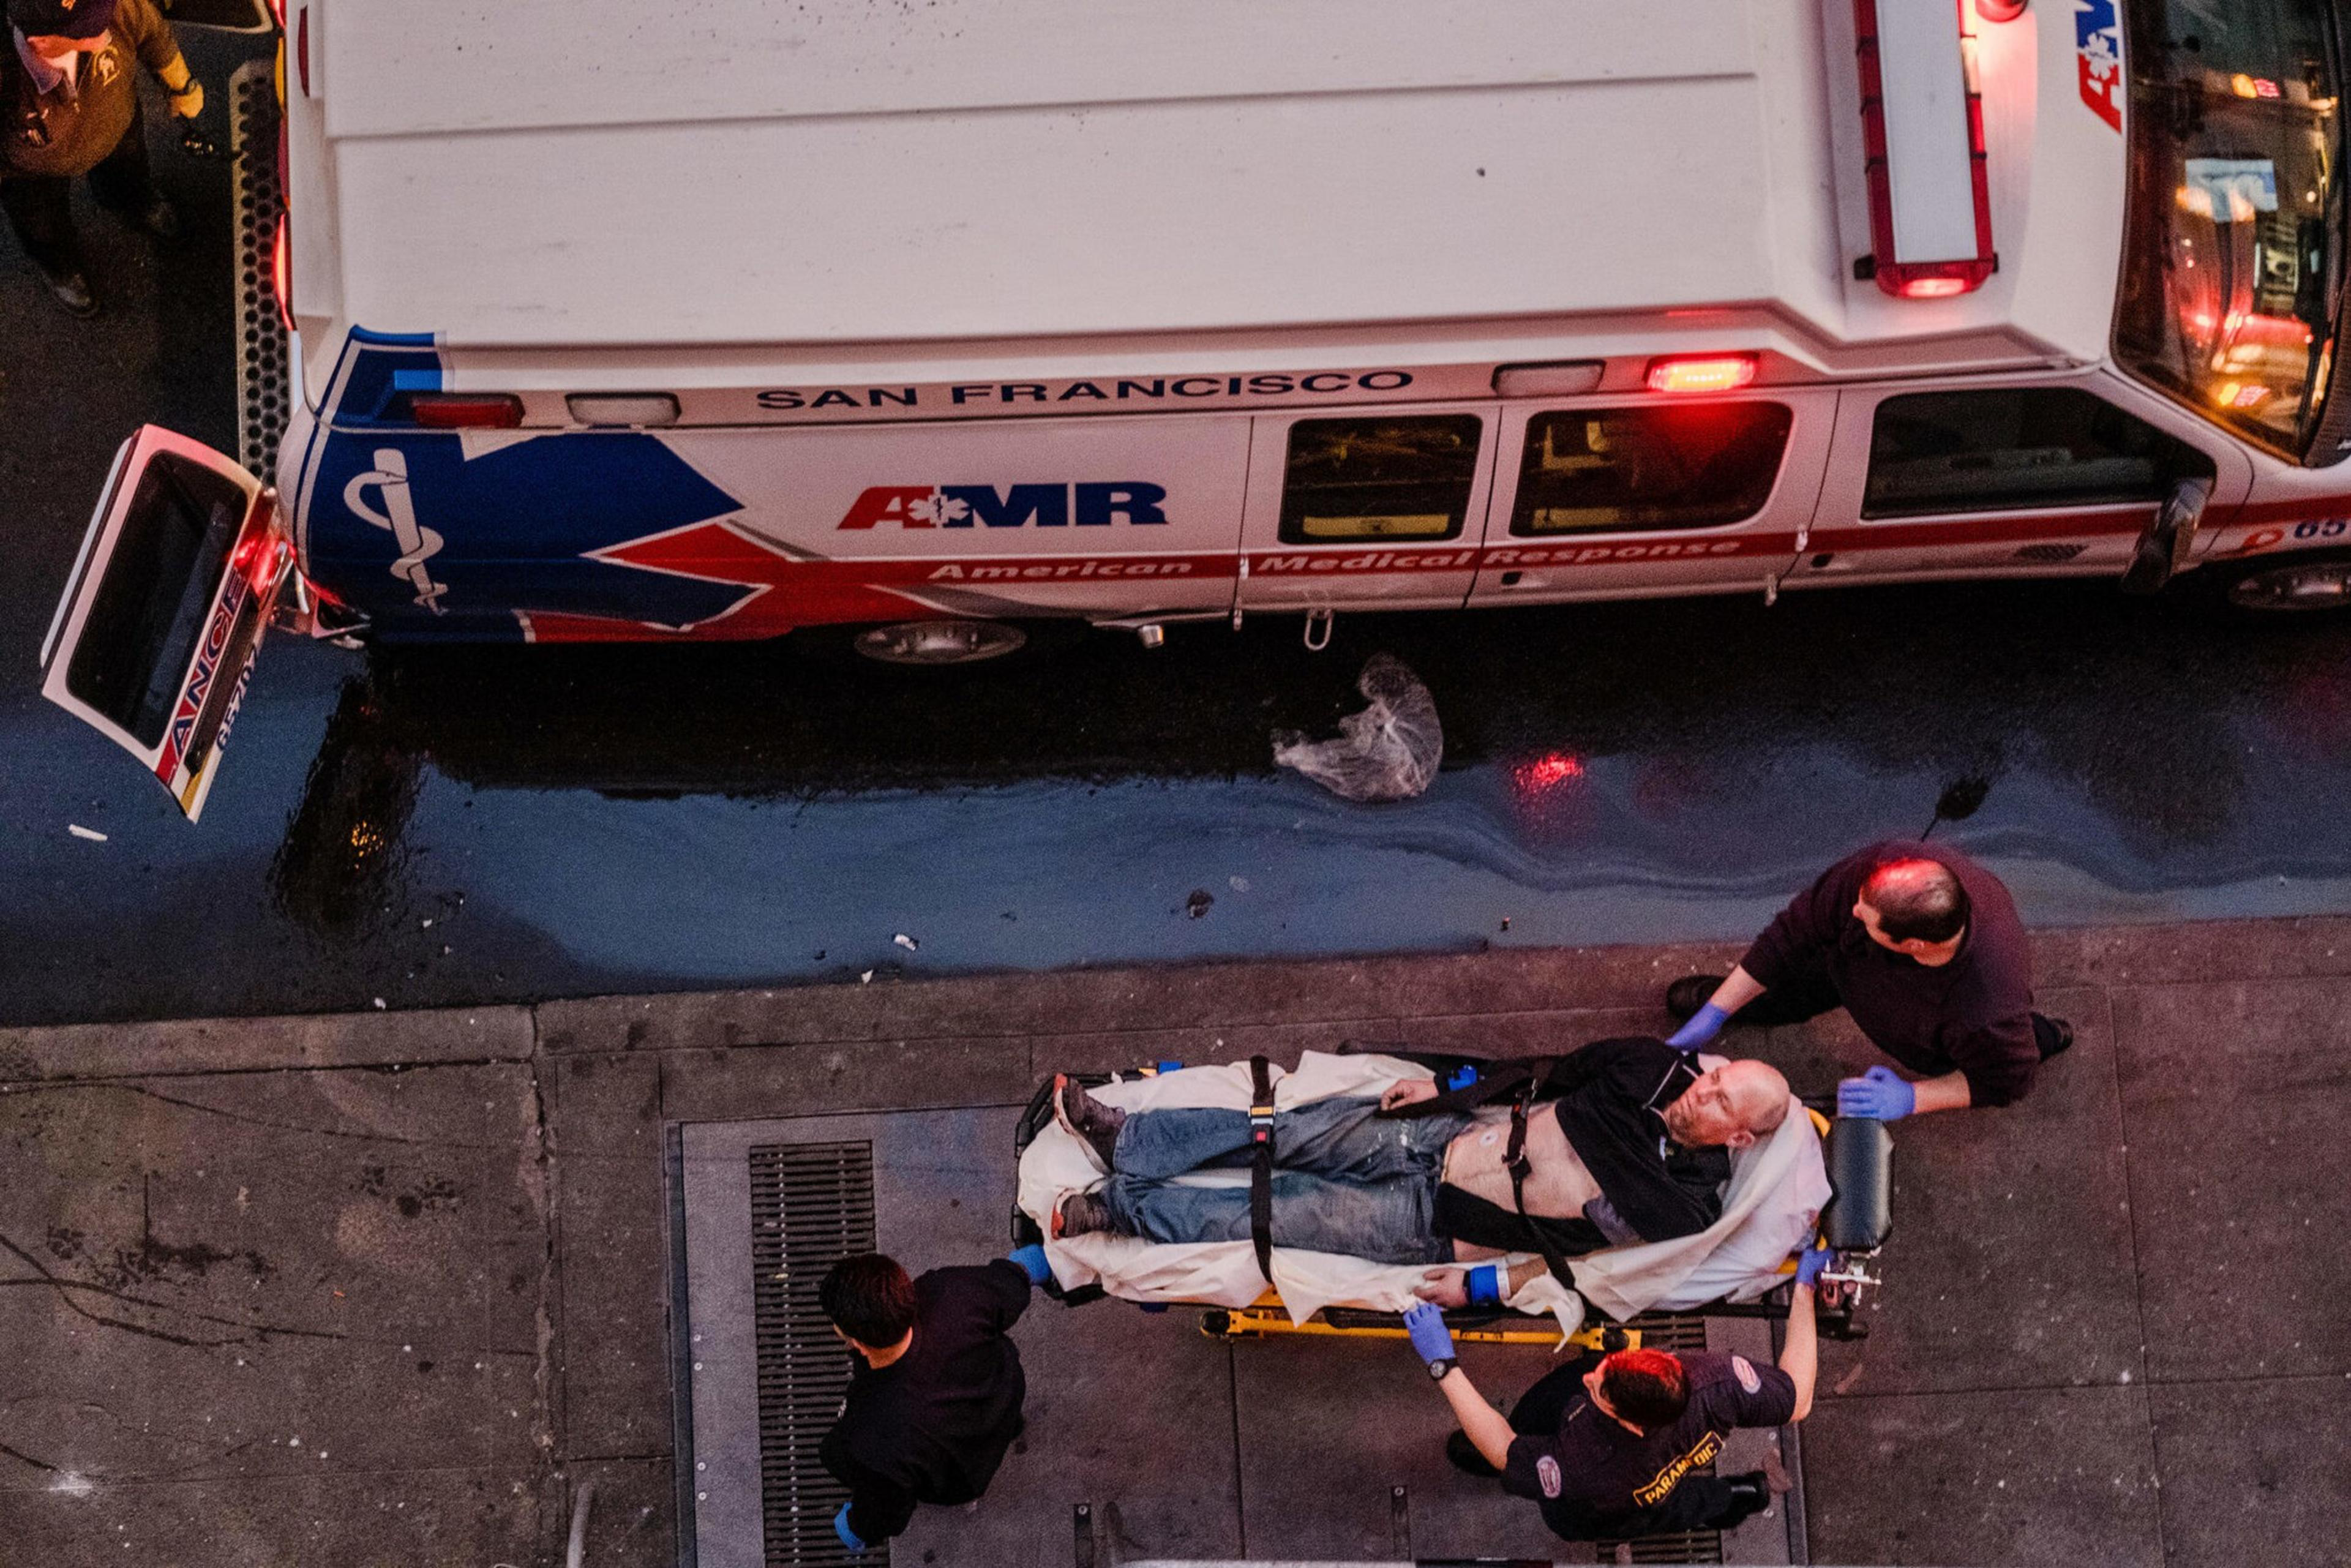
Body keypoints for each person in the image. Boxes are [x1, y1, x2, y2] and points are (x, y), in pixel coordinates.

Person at [1049, 1040, 1790, 1295]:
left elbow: (1584, 1257)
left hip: (1439, 1225)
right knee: (1283, 1130)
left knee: (1273, 1213)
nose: (1704, 1090)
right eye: (1713, 1079)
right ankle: (1131, 1141)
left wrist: (1487, 1284)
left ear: (1741, 1140)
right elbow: (1538, 1073)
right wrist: (1447, 1087)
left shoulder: (1685, 1209)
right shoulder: (1650, 1071)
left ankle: (1121, 1210)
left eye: (1723, 1101)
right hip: (1447, 1140)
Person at [1401, 1242, 1826, 1541]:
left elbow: (1502, 1448)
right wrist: (1804, 1290)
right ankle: (1735, 1496)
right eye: (1608, 1368)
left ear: (1629, 1421)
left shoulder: (1587, 1471)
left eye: (1599, 1389)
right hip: (1648, 1452)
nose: (1589, 1378)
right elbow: (1797, 1397)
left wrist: (1444, 1365)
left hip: (1612, 1502)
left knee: (1664, 1507)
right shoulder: (1718, 1382)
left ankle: (1740, 1496)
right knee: (1544, 1407)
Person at [1662, 841, 2071, 1119]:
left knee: (2016, 1051)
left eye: (1866, 917)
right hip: (1845, 967)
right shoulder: (1885, 872)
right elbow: (1796, 930)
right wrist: (1719, 1007)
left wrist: (1911, 1098)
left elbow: (2006, 1082)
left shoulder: (1985, 1008)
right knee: (1790, 988)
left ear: (1912, 944)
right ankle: (1753, 1004)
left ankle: (2051, 1035)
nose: (1853, 911)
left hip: (1926, 1031)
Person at [817, 1245, 1049, 1555]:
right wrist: (1034, 1264)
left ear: (857, 1342)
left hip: (960, 1476)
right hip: (1003, 1400)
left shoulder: (873, 1438)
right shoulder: (948, 1291)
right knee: (1003, 1426)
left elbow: (886, 1512)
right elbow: (1013, 1280)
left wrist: (856, 1528)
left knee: (836, 1456)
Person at [2, 0, 216, 317]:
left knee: (128, 171)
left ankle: (132, 199)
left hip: (114, 123)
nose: (104, 32)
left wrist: (182, 87)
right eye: (87, 31)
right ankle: (58, 264)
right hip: (29, 173)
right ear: (40, 41)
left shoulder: (113, 7)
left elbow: (151, 31)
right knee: (41, 224)